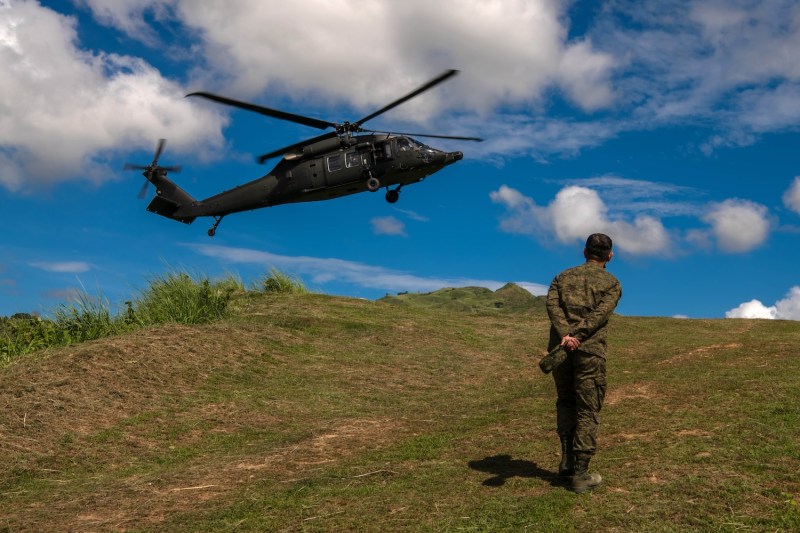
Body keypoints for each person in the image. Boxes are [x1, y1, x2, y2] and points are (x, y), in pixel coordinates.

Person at [546, 233, 622, 493]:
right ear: (609, 256)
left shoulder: (561, 277)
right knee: (587, 409)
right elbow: (600, 316)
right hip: (590, 352)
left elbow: (552, 306)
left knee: (565, 402)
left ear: (584, 251)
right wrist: (578, 337)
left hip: (560, 350)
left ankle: (566, 462)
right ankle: (581, 473)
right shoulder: (612, 284)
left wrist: (566, 336)